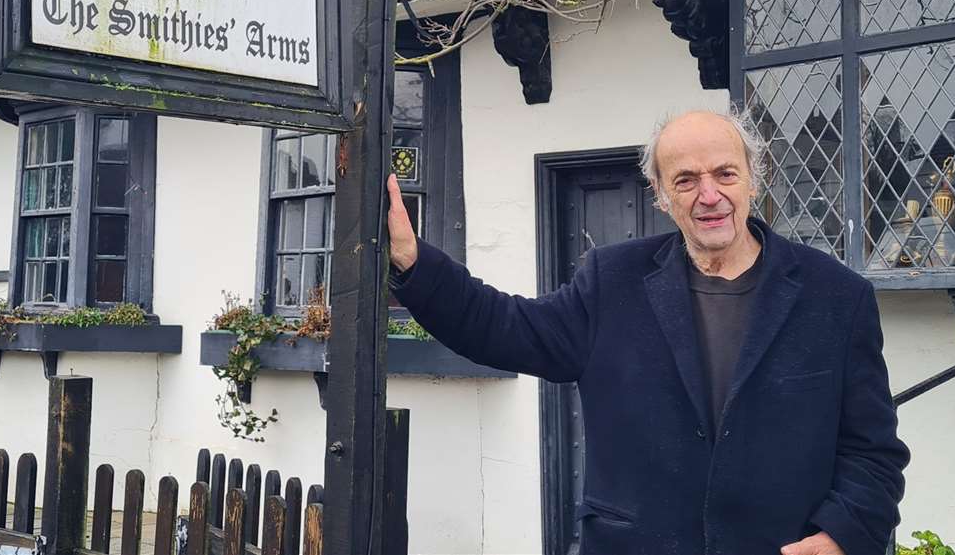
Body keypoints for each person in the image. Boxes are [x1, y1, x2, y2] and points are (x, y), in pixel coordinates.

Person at [386, 109, 908, 555]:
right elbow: (504, 328)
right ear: (660, 194)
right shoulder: (612, 280)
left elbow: (872, 449)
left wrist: (842, 533)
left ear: (754, 177)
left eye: (725, 174)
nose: (709, 195)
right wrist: (413, 263)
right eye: (685, 180)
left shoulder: (836, 295)